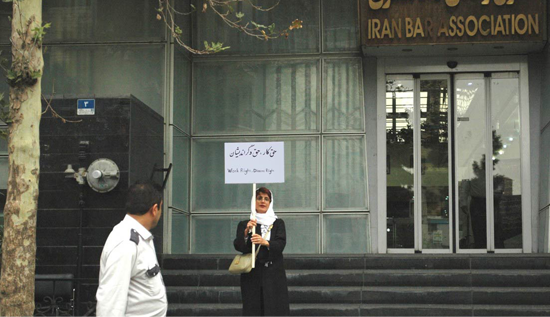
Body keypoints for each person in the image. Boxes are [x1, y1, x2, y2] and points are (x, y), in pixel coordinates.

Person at [96, 180, 167, 317]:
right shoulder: (126, 243)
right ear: (154, 209)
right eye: (161, 208)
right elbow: (110, 302)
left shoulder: (140, 237)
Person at [234, 187, 290, 317]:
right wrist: (246, 232)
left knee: (275, 307)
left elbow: (281, 244)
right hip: (253, 273)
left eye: (266, 199)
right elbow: (239, 246)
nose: (262, 201)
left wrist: (266, 243)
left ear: (270, 203)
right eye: (259, 198)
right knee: (253, 307)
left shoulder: (278, 223)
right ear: (254, 201)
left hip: (273, 273)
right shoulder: (246, 224)